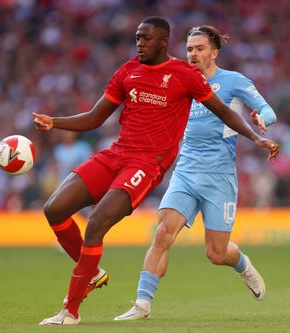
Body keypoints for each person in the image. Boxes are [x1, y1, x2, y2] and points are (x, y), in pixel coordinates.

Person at [33, 17, 280, 325]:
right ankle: (122, 292)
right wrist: (54, 121)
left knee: (215, 253)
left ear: (164, 42)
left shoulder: (194, 77)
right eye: (137, 38)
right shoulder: (128, 71)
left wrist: (258, 135)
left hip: (183, 170)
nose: (139, 43)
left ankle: (71, 310)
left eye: (146, 38)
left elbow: (228, 111)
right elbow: (95, 118)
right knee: (59, 210)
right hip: (150, 162)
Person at [114, 25, 278, 321]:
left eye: (200, 48)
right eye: (189, 48)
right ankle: (142, 304)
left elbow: (268, 111)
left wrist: (259, 120)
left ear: (214, 53)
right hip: (186, 171)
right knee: (163, 233)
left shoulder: (233, 81)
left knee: (216, 253)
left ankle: (242, 264)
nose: (193, 54)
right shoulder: (178, 77)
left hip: (219, 177)